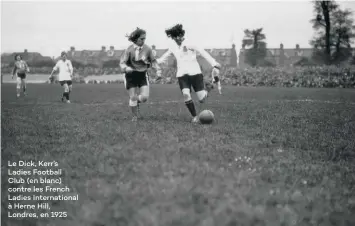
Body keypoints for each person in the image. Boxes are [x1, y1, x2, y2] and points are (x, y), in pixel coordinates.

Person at [156, 24, 221, 123]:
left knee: (202, 99)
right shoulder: (173, 46)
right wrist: (152, 62)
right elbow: (162, 59)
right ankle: (195, 117)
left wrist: (214, 63)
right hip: (182, 76)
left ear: (182, 34)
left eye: (180, 35)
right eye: (176, 36)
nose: (178, 38)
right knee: (186, 95)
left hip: (195, 74)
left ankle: (209, 87)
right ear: (173, 37)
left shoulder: (190, 43)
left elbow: (202, 52)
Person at [120, 27, 162, 122]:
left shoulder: (148, 49)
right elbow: (122, 62)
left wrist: (158, 72)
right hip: (130, 76)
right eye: (141, 39)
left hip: (142, 75)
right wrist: (126, 68)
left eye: (144, 39)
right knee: (133, 96)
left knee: (144, 98)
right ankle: (135, 116)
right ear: (136, 38)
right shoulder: (129, 50)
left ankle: (134, 101)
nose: (143, 41)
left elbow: (154, 61)